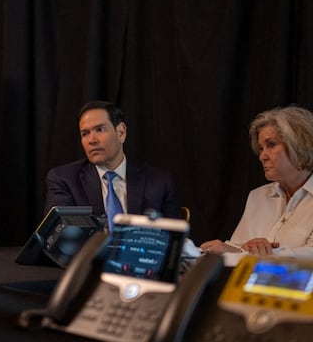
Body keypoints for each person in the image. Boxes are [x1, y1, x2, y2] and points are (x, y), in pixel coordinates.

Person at [45, 100, 182, 228]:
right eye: (85, 133)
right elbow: (58, 235)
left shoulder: (159, 181)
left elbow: (174, 238)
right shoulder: (64, 180)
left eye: (100, 129)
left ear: (121, 132)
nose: (91, 140)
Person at [201, 105, 313, 258]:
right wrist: (225, 249)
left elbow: (309, 257)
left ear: (299, 144)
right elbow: (240, 247)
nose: (262, 156)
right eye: (261, 148)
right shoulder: (258, 196)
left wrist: (264, 253)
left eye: (271, 144)